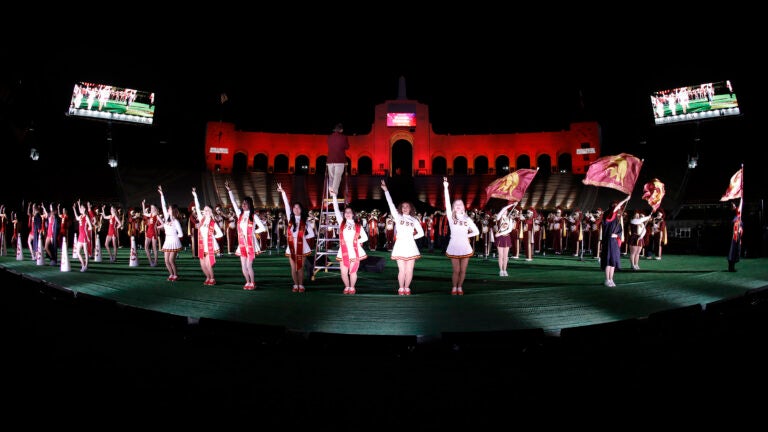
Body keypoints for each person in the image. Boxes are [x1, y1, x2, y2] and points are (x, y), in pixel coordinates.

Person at [381, 179, 424, 295]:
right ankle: (401, 288)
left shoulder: (414, 220)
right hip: (400, 245)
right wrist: (386, 191)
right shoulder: (398, 216)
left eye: (407, 206)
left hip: (411, 246)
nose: (405, 208)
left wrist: (411, 238)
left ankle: (407, 288)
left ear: (411, 208)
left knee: (409, 270)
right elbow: (391, 204)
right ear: (400, 208)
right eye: (403, 206)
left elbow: (421, 233)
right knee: (402, 269)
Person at [226, 180, 267, 290]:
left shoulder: (253, 216)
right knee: (243, 265)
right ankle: (247, 282)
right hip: (242, 243)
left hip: (251, 243)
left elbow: (263, 228)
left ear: (250, 205)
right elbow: (234, 203)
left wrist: (253, 233)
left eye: (245, 203)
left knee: (249, 265)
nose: (243, 205)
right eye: (243, 203)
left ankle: (252, 282)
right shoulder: (240, 214)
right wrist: (229, 191)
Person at [443, 177, 480, 295]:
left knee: (463, 270)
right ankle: (454, 287)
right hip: (454, 246)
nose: (458, 205)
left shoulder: (467, 219)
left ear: (464, 207)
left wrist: (466, 235)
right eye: (456, 204)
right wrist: (446, 187)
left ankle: (460, 287)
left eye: (460, 204)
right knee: (456, 270)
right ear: (453, 207)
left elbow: (477, 232)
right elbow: (447, 202)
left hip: (465, 246)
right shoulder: (451, 216)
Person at [277, 181, 315, 293]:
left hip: (302, 246)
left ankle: (301, 285)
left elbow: (312, 234)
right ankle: (295, 284)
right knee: (293, 268)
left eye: (298, 208)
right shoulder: (290, 219)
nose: (296, 209)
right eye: (294, 207)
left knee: (300, 267)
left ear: (301, 210)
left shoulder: (305, 222)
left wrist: (302, 238)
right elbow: (286, 205)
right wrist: (283, 192)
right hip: (291, 246)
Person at [330, 188, 368, 294]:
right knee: (343, 272)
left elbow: (365, 238)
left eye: (350, 212)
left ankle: (352, 287)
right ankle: (347, 287)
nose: (347, 214)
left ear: (353, 214)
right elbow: (336, 210)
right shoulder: (341, 222)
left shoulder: (358, 225)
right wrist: (334, 196)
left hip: (355, 250)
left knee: (353, 271)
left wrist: (355, 241)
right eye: (346, 212)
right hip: (343, 250)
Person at [192, 187, 224, 285]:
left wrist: (212, 237)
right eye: (204, 210)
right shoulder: (201, 219)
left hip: (209, 244)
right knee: (202, 264)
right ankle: (207, 277)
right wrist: (195, 195)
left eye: (207, 210)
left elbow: (220, 234)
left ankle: (212, 278)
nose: (205, 211)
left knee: (208, 263)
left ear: (210, 212)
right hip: (202, 244)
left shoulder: (213, 222)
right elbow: (197, 208)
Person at [600, 195, 631, 287]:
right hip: (608, 241)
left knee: (613, 262)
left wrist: (617, 235)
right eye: (614, 206)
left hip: (614, 243)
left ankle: (611, 279)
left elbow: (620, 231)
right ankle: (607, 279)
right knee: (608, 261)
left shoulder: (617, 220)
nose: (617, 208)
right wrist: (625, 199)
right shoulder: (607, 215)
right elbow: (615, 209)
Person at [159, 186, 184, 281]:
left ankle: (176, 275)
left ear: (173, 210)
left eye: (169, 209)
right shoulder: (166, 218)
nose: (168, 210)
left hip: (174, 241)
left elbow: (181, 234)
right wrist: (162, 195)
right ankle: (171, 274)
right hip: (167, 240)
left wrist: (174, 237)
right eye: (168, 209)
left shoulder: (176, 221)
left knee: (171, 260)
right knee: (166, 260)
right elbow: (163, 206)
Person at [494, 201, 517, 276]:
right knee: (500, 255)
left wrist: (499, 233)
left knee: (505, 256)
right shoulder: (499, 218)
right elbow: (503, 209)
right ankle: (500, 270)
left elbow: (509, 230)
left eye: (506, 211)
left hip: (506, 237)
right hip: (500, 238)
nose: (505, 212)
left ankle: (505, 270)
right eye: (504, 210)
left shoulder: (509, 219)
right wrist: (512, 204)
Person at [326, 123, 349, 196]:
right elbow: (347, 146)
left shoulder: (329, 137)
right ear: (341, 130)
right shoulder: (344, 137)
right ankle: (334, 194)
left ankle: (331, 193)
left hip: (330, 160)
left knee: (331, 178)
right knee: (337, 177)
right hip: (339, 160)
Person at [72, 200, 93, 272]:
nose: (80, 209)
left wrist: (87, 233)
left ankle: (86, 266)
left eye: (81, 208)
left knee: (85, 252)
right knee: (77, 252)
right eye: (80, 208)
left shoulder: (86, 216)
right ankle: (83, 264)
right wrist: (74, 209)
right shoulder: (80, 216)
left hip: (84, 235)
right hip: (80, 235)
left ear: (84, 209)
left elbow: (90, 227)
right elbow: (76, 217)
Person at [141, 199, 160, 266]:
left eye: (152, 208)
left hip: (154, 232)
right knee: (146, 247)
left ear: (155, 209)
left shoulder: (156, 215)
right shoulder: (151, 214)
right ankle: (150, 261)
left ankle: (155, 262)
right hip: (149, 231)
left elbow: (163, 223)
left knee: (154, 248)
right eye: (151, 208)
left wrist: (157, 227)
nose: (151, 209)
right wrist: (143, 204)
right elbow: (144, 213)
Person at [728, 202, 743, 272]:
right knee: (732, 251)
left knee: (736, 250)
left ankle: (732, 266)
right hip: (733, 236)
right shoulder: (732, 216)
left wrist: (740, 227)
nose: (735, 207)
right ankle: (731, 267)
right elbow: (732, 223)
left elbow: (740, 223)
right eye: (733, 206)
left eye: (734, 206)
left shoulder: (737, 216)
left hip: (736, 235)